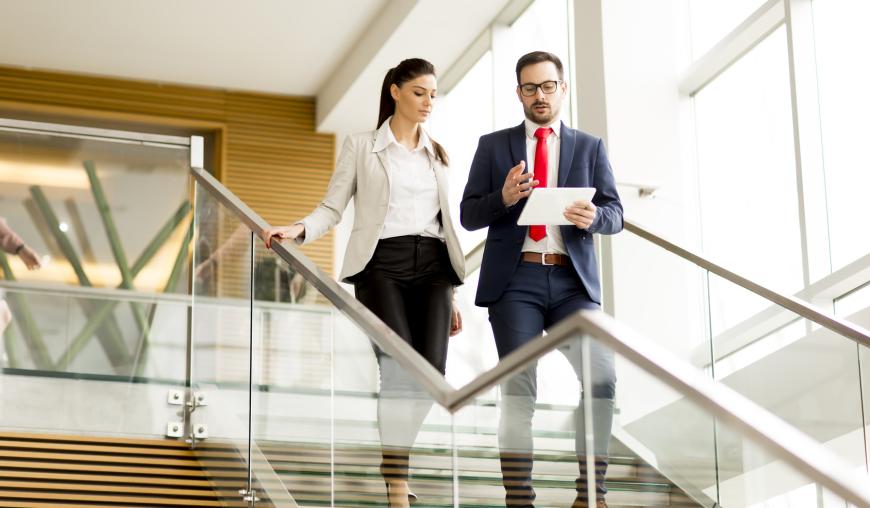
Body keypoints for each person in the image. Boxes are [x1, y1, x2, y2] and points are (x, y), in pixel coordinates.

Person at [263, 58, 465, 508]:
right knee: (396, 368)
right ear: (394, 92)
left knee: (432, 375)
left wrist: (453, 294)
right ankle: (397, 480)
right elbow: (333, 208)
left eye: (434, 94)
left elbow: (442, 225)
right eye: (419, 92)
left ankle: (393, 459)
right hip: (381, 265)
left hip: (434, 268)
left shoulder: (438, 153)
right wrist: (298, 229)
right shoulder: (361, 146)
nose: (429, 101)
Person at [459, 51, 623, 508]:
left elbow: (616, 214)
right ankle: (519, 498)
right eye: (530, 88)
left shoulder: (589, 147)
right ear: (519, 93)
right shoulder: (493, 146)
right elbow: (469, 215)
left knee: (602, 379)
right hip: (516, 282)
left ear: (562, 88)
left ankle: (591, 493)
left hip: (574, 285)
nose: (540, 96)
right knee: (519, 386)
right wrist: (504, 197)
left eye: (548, 86)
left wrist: (595, 218)